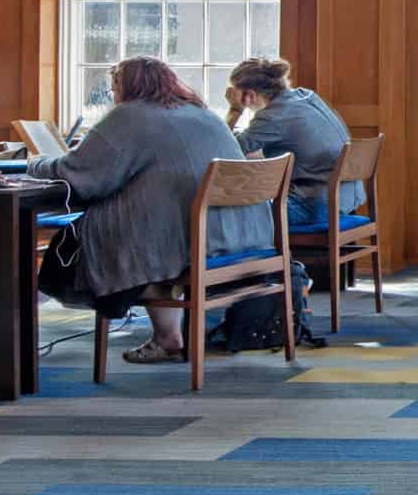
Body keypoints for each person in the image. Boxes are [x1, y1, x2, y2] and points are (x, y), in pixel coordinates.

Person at [27, 56, 274, 367]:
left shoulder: (129, 116)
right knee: (149, 229)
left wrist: (35, 162)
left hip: (191, 242)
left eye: (114, 86)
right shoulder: (202, 113)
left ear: (128, 86)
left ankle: (165, 336)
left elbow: (82, 175)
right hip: (246, 236)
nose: (113, 94)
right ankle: (167, 337)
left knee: (116, 238)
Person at [224, 56, 362, 230]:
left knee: (231, 212)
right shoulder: (306, 95)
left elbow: (226, 150)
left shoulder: (271, 117)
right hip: (348, 198)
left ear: (250, 95)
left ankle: (269, 257)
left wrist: (235, 109)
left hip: (316, 207)